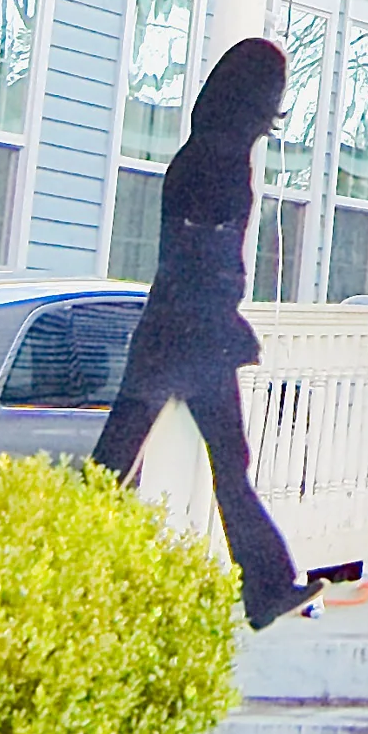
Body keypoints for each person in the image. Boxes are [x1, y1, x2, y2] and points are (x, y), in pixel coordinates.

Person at [92, 38, 315, 632]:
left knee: (122, 458)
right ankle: (266, 589)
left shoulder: (203, 152)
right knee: (174, 462)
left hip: (175, 330)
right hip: (190, 332)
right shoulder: (218, 162)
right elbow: (205, 257)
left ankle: (267, 587)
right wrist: (226, 320)